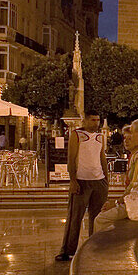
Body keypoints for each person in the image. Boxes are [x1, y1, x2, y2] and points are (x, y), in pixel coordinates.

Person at [55, 112, 109, 262]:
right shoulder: (76, 135)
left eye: (98, 120)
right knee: (75, 217)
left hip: (99, 181)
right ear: (85, 120)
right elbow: (71, 158)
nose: (95, 123)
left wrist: (106, 180)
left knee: (97, 217)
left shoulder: (100, 137)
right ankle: (67, 250)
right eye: (92, 120)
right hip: (81, 180)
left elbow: (102, 158)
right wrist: (73, 180)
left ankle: (93, 248)